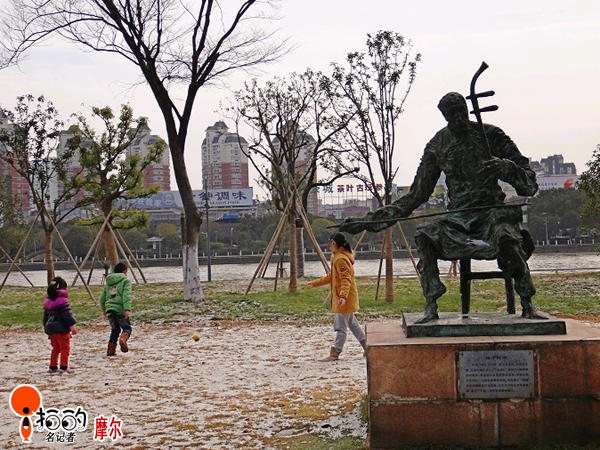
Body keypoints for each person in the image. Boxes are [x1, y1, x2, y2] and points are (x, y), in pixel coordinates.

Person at [340, 92, 546, 323]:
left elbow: (529, 185)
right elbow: (415, 196)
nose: (457, 119)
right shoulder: (438, 146)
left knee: (506, 237)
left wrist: (506, 168)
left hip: (492, 214)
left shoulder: (491, 135)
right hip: (457, 219)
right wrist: (369, 221)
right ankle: (431, 305)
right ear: (445, 117)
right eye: (451, 115)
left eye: (460, 112)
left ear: (467, 110)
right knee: (425, 236)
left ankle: (528, 303)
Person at [306, 232, 366, 361]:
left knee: (340, 327)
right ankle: (368, 347)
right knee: (353, 324)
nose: (329, 244)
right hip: (345, 298)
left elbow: (345, 279)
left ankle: (335, 353)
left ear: (334, 243)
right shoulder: (338, 258)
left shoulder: (340, 259)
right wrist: (314, 283)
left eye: (330, 242)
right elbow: (331, 277)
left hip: (344, 299)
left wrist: (343, 297)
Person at [43, 277, 78, 374]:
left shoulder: (47, 301)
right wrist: (72, 326)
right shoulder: (62, 300)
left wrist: (46, 329)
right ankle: (64, 367)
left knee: (56, 348)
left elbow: (45, 317)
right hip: (61, 328)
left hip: (50, 328)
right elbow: (67, 315)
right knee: (64, 348)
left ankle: (53, 366)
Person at [99, 262, 132, 356]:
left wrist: (104, 310)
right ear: (125, 271)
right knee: (127, 328)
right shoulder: (125, 281)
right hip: (120, 309)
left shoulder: (108, 283)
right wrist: (127, 309)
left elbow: (102, 298)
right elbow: (126, 296)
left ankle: (111, 350)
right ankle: (123, 339)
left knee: (115, 330)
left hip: (109, 309)